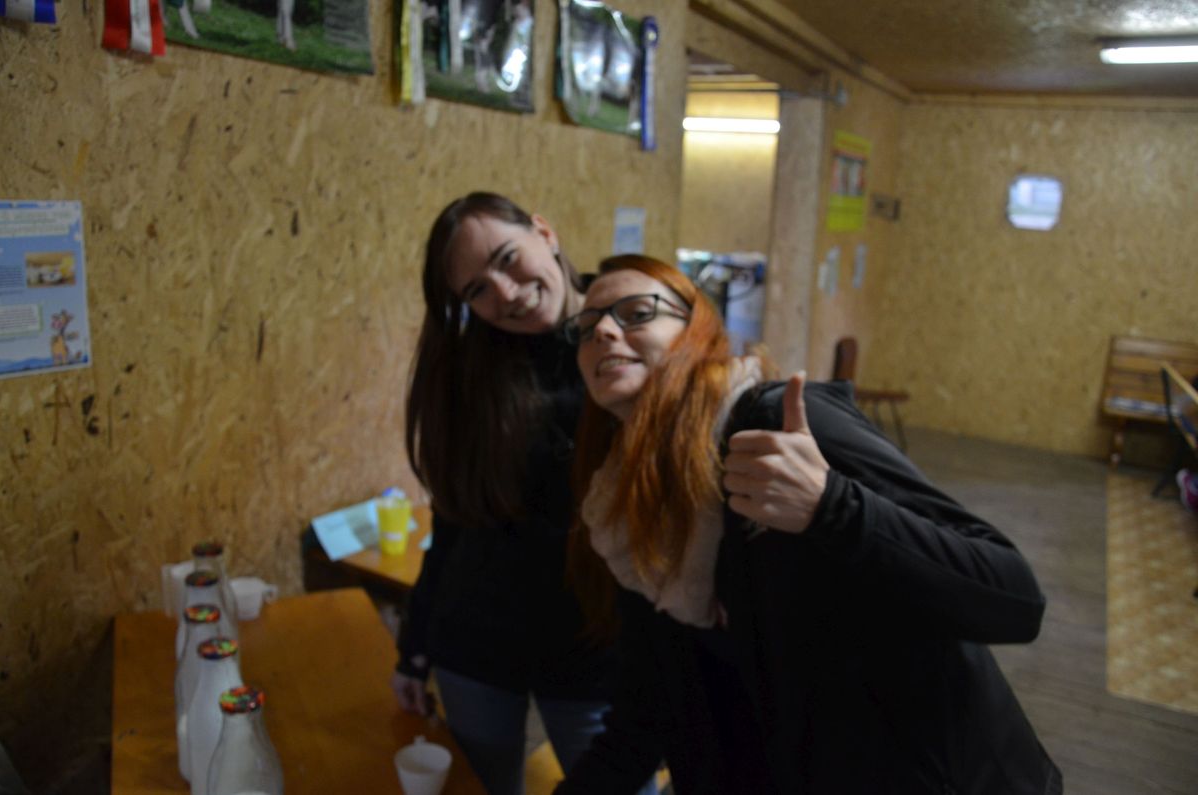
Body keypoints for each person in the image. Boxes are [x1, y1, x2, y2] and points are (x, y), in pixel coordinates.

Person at [556, 254, 1062, 794]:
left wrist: (833, 506)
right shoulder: (625, 514)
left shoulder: (778, 426)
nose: (603, 332)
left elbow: (1011, 597)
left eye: (637, 313)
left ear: (696, 330)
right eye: (587, 327)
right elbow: (647, 710)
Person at [394, 193, 651, 795]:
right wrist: (414, 648)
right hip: (477, 650)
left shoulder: (631, 336)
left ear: (544, 231)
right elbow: (454, 524)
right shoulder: (471, 373)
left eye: (507, 259)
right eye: (477, 290)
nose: (505, 293)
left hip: (598, 655)